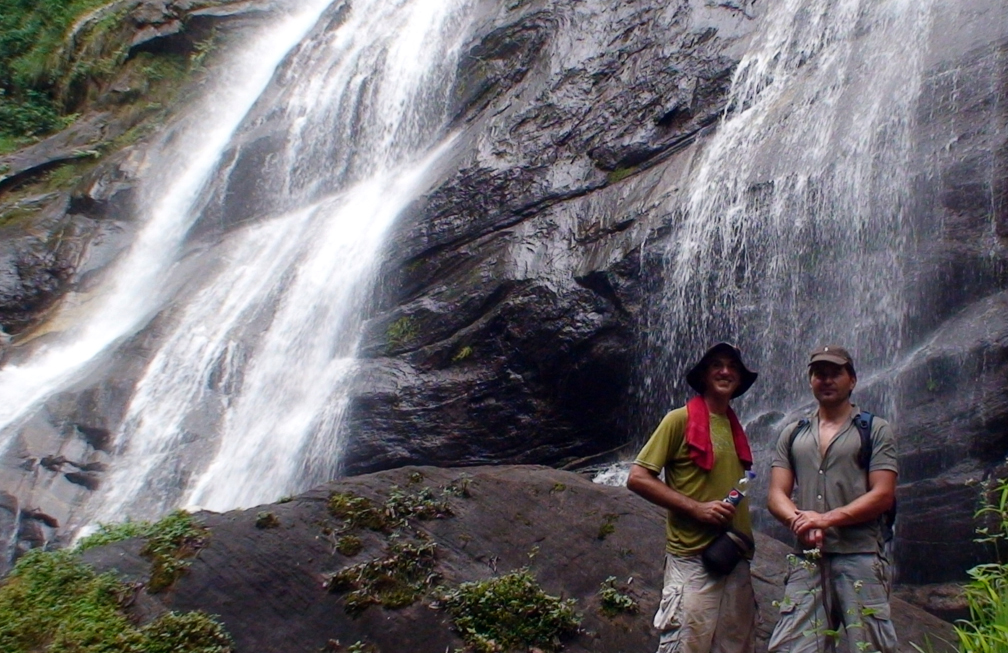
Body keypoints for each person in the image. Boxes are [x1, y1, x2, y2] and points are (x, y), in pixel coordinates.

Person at [627, 342, 759, 653]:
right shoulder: (679, 419)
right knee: (686, 646)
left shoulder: (734, 425)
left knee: (735, 648)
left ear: (739, 379)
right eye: (717, 365)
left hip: (733, 556)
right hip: (692, 558)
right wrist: (695, 508)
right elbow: (636, 477)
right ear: (704, 376)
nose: (725, 371)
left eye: (732, 366)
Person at [767, 345, 898, 653]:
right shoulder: (793, 433)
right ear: (811, 381)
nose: (826, 380)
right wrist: (799, 522)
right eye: (819, 374)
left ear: (852, 380)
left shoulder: (874, 429)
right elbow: (776, 494)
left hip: (861, 557)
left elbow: (883, 494)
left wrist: (824, 520)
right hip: (807, 560)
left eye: (835, 373)